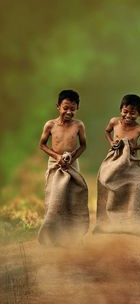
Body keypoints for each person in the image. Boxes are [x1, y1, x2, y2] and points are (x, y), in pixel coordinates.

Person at [93, 94, 140, 237]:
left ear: (138, 114)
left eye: (133, 113)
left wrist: (134, 148)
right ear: (120, 110)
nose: (128, 115)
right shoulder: (114, 122)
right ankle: (105, 224)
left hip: (130, 164)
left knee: (135, 190)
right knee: (108, 187)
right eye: (125, 111)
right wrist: (111, 142)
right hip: (113, 161)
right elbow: (107, 131)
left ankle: (134, 226)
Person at [38, 89, 89, 246]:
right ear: (58, 106)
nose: (69, 112)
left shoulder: (78, 125)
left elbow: (83, 146)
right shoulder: (50, 125)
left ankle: (73, 237)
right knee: (55, 199)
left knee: (72, 199)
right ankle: (51, 236)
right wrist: (57, 157)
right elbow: (42, 145)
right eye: (65, 107)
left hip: (72, 165)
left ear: (77, 109)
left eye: (72, 109)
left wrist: (71, 158)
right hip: (55, 164)